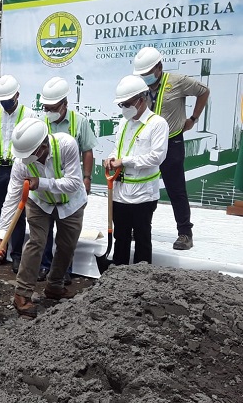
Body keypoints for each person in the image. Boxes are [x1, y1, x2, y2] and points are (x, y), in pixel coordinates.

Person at [0, 118, 87, 318]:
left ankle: (54, 285)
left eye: (28, 155)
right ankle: (21, 293)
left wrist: (42, 182)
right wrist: (2, 235)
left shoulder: (66, 145)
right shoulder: (21, 163)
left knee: (67, 245)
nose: (24, 159)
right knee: (36, 242)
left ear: (42, 147)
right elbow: (12, 197)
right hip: (40, 203)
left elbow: (73, 183)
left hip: (71, 203)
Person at [133, 46, 210, 250]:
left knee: (176, 190)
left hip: (172, 142)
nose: (145, 77)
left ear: (159, 67)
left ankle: (185, 233)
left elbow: (203, 91)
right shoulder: (140, 87)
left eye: (147, 73)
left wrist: (193, 118)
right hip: (147, 144)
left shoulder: (178, 81)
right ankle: (140, 227)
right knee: (145, 187)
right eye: (142, 74)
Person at [37, 77, 97, 283]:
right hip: (45, 187)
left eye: (53, 107)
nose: (49, 111)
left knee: (66, 233)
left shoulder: (79, 122)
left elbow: (87, 151)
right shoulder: (40, 123)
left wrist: (87, 178)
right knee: (45, 231)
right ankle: (45, 266)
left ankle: (64, 270)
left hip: (69, 185)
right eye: (46, 107)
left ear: (65, 104)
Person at [104, 75, 169, 266]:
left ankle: (141, 279)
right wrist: (112, 158)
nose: (124, 108)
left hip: (143, 195)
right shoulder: (124, 123)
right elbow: (118, 148)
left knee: (142, 238)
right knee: (121, 236)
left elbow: (156, 157)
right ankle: (118, 275)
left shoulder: (157, 124)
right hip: (120, 193)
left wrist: (125, 161)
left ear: (141, 100)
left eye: (127, 103)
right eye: (121, 105)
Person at [0, 75, 35, 274]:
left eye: (9, 99)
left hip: (18, 169)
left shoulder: (29, 115)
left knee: (18, 213)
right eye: (2, 100)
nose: (6, 103)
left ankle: (17, 255)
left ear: (17, 95)